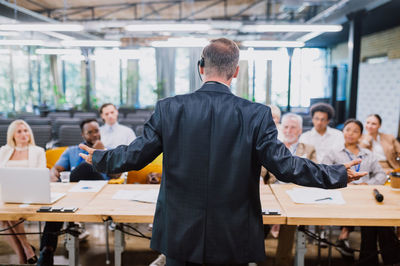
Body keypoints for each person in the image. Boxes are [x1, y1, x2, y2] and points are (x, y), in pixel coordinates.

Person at [80, 38, 365, 265]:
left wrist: (100, 157)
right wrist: (337, 173)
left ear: (200, 67)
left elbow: (135, 155)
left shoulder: (170, 108)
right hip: (233, 233)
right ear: (236, 71)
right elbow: (286, 166)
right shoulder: (256, 114)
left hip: (180, 231)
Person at [37, 118, 109, 266]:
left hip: (101, 194)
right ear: (83, 135)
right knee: (55, 209)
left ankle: (69, 225)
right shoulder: (72, 151)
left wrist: (100, 153)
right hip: (73, 195)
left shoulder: (108, 150)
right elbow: (56, 169)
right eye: (90, 132)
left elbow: (116, 176)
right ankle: (47, 250)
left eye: (97, 131)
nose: (95, 134)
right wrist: (53, 174)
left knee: (84, 167)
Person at [322, 119, 390, 262]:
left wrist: (367, 184)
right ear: (343, 132)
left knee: (377, 221)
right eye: (348, 130)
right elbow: (324, 173)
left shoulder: (368, 154)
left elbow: (381, 174)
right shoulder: (333, 153)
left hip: (365, 198)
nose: (351, 134)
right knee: (373, 221)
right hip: (341, 196)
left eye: (355, 131)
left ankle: (372, 259)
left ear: (360, 135)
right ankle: (389, 258)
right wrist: (343, 182)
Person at [263, 113, 317, 266]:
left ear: (300, 130)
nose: (288, 130)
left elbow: (314, 171)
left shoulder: (309, 149)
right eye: (285, 127)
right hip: (273, 192)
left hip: (297, 193)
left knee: (288, 222)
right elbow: (261, 171)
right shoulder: (273, 147)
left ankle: (282, 261)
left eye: (293, 127)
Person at [0, 120, 45, 264]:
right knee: (3, 218)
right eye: (19, 131)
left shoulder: (38, 151)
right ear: (12, 135)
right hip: (6, 191)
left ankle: (23, 253)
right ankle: (25, 250)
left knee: (7, 214)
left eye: (26, 131)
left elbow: (40, 175)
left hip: (30, 191)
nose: (24, 134)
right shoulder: (4, 151)